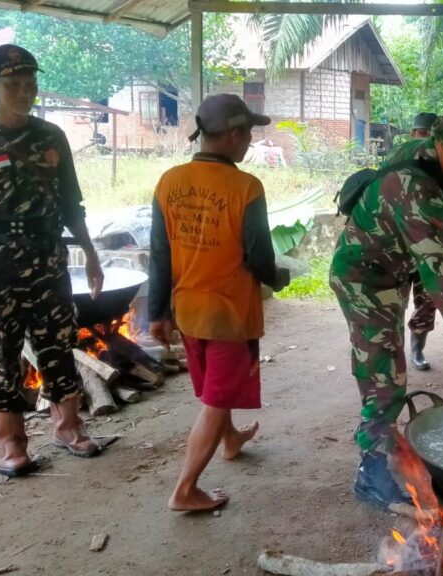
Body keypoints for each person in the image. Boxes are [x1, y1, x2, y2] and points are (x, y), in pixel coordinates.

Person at [329, 96, 443, 509]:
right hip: (364, 279)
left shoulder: (430, 157)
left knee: (388, 367)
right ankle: (372, 474)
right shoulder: (414, 185)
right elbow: (435, 268)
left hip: (388, 275)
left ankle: (385, 452)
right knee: (384, 375)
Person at [148, 94, 289, 512]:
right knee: (216, 401)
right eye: (247, 132)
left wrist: (157, 312)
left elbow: (159, 254)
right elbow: (260, 257)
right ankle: (185, 490)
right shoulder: (246, 187)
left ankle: (229, 440)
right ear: (232, 134)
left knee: (215, 391)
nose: (249, 140)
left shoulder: (168, 182)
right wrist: (279, 278)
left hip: (188, 312)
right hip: (228, 316)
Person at [0, 44, 105, 477]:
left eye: (31, 83)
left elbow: (72, 201)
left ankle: (68, 426)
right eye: (14, 84)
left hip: (48, 253)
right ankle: (10, 441)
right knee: (1, 347)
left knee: (57, 339)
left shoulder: (52, 136)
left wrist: (89, 252)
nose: (25, 91)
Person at [405, 112, 440, 371]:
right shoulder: (398, 161)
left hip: (429, 247)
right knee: (393, 301)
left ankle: (417, 350)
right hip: (397, 248)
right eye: (422, 133)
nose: (426, 139)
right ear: (412, 135)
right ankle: (391, 352)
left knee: (427, 300)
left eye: (431, 134)